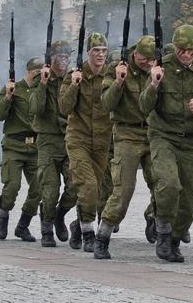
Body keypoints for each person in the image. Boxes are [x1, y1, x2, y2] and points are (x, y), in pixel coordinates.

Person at [138, 25, 193, 263]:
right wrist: (154, 84)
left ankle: (175, 239)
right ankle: (163, 232)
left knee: (192, 197)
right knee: (168, 184)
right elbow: (143, 107)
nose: (185, 54)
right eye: (180, 50)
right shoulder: (161, 67)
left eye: (190, 50)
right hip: (164, 136)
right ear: (174, 47)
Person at [93, 35, 157, 260]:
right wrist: (119, 82)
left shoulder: (158, 68)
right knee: (123, 189)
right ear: (135, 53)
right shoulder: (116, 68)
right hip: (126, 133)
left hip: (153, 132)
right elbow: (107, 103)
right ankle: (102, 236)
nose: (148, 63)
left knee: (163, 184)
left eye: (151, 59)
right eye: (144, 58)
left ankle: (156, 221)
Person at [60, 33, 113, 253]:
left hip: (102, 141)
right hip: (78, 139)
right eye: (96, 51)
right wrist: (74, 86)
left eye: (103, 50)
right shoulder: (75, 75)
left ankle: (78, 226)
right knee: (88, 186)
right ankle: (88, 232)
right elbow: (64, 107)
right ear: (88, 53)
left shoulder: (112, 75)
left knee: (97, 191)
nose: (100, 55)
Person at [30, 41, 78, 247]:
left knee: (75, 186)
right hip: (48, 141)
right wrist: (42, 83)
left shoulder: (74, 78)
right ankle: (47, 227)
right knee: (50, 189)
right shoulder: (41, 80)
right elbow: (36, 108)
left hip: (70, 139)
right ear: (51, 58)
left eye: (67, 55)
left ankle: (60, 215)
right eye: (59, 55)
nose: (64, 59)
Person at [0, 56, 42, 242]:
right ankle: (3, 217)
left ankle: (23, 225)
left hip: (36, 146)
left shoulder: (42, 90)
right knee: (12, 186)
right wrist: (7, 97)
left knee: (39, 189)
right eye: (37, 73)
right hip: (14, 145)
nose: (40, 76)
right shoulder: (14, 89)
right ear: (29, 72)